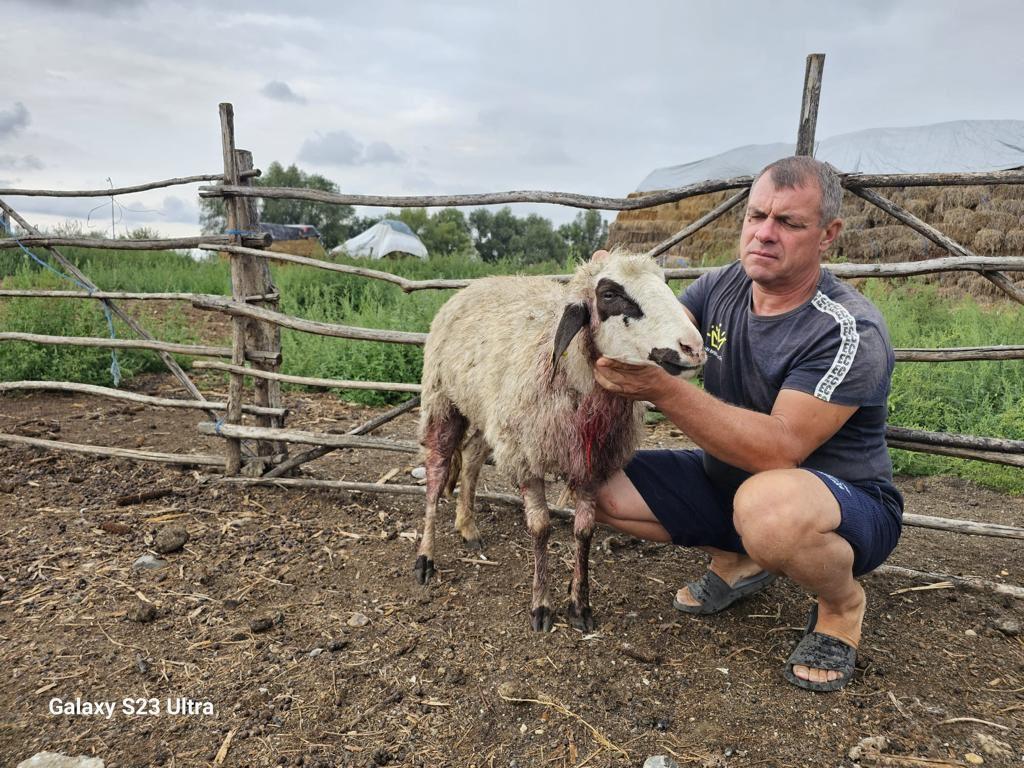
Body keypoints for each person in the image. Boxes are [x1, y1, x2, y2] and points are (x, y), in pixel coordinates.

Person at [592, 155, 903, 692]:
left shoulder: (849, 330)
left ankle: (841, 604)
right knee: (594, 485)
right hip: (730, 481)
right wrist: (614, 288)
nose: (764, 233)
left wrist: (663, 389)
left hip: (842, 504)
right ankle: (739, 561)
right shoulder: (725, 285)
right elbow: (667, 328)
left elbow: (780, 449)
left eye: (788, 222)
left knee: (769, 509)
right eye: (756, 216)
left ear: (828, 235)